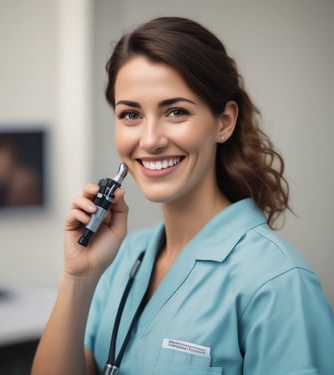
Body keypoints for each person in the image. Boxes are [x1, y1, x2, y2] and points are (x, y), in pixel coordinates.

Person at [32, 17, 334, 374]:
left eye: (175, 112)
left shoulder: (277, 281)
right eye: (130, 114)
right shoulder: (124, 257)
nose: (150, 140)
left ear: (224, 122)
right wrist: (78, 278)